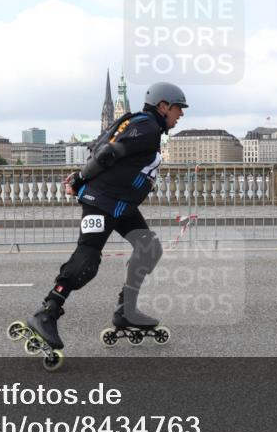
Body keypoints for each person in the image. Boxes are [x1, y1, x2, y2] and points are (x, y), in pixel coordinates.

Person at [25, 82, 188, 352]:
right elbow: (108, 153)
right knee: (87, 261)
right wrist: (79, 179)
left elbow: (109, 151)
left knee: (149, 248)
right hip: (102, 201)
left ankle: (127, 312)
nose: (180, 115)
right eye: (178, 108)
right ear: (163, 106)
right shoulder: (146, 126)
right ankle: (46, 312)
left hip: (120, 204)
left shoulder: (148, 127)